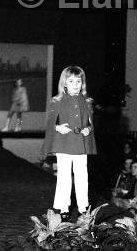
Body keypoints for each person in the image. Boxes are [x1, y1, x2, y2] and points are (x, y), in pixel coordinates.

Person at [41, 66, 96, 218]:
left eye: (78, 81)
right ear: (64, 83)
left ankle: (83, 207)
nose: (75, 84)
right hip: (64, 143)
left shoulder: (87, 101)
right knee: (64, 177)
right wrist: (58, 127)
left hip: (80, 144)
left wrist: (88, 129)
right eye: (71, 81)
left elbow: (91, 123)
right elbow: (50, 123)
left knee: (82, 176)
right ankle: (63, 208)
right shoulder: (57, 101)